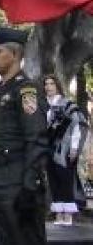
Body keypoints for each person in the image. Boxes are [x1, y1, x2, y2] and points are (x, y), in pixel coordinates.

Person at [0, 26, 49, 245]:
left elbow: (36, 138)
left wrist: (31, 185)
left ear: (15, 54)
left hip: (19, 181)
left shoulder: (26, 90)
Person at [43, 74, 88, 226]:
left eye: (51, 84)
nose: (48, 87)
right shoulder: (43, 106)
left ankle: (68, 214)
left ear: (57, 85)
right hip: (48, 149)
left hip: (65, 149)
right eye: (46, 84)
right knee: (53, 181)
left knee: (65, 180)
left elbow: (77, 127)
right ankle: (59, 214)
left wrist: (74, 148)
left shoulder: (68, 105)